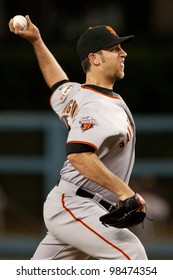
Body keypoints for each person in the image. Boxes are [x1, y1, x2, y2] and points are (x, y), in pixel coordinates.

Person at [9, 15, 148, 260]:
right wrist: (125, 192)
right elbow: (79, 156)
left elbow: (57, 82)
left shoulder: (77, 93)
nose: (123, 53)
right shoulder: (96, 105)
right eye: (114, 49)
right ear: (94, 58)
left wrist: (37, 41)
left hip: (81, 205)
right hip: (76, 205)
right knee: (131, 255)